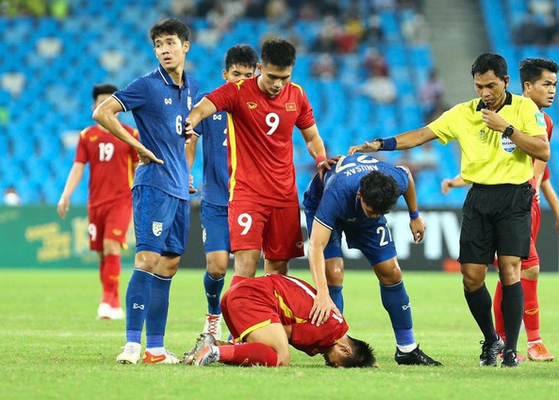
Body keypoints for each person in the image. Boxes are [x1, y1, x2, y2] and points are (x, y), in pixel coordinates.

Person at [349, 53, 550, 367]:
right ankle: (491, 340)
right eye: (479, 86)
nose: (485, 92)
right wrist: (380, 144)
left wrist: (506, 128)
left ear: (506, 81)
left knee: (510, 270)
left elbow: (543, 150)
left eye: (491, 85)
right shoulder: (462, 113)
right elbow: (422, 134)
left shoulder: (525, 108)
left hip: (514, 197)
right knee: (471, 278)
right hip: (479, 196)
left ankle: (511, 349)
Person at [441, 58, 559, 362]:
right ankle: (521, 341)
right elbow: (489, 162)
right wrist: (461, 180)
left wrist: (558, 212)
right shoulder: (507, 115)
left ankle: (511, 342)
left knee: (514, 270)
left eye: (554, 85)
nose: (553, 91)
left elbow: (542, 172)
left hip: (524, 202)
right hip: (509, 201)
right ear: (526, 86)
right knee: (518, 270)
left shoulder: (541, 122)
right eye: (546, 84)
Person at [93, 19, 199, 365]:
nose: (164, 50)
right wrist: (135, 144)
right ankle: (131, 346)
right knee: (147, 259)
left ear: (186, 45)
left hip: (179, 190)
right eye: (158, 45)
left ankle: (155, 348)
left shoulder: (191, 89)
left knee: (169, 265)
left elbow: (187, 136)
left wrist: (186, 172)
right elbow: (102, 112)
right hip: (153, 184)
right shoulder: (147, 86)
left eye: (169, 43)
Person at [184, 38, 330, 286]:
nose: (277, 84)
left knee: (278, 270)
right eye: (272, 76)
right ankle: (237, 324)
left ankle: (272, 324)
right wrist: (191, 121)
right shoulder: (237, 91)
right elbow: (202, 107)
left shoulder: (297, 94)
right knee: (246, 266)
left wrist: (320, 159)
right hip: (247, 194)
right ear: (261, 68)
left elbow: (313, 137)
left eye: (284, 78)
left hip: (284, 195)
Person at [303, 154, 442, 366]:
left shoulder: (392, 181)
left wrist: (414, 216)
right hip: (323, 206)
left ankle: (407, 349)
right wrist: (321, 293)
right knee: (334, 273)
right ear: (360, 195)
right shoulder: (337, 193)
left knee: (391, 272)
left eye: (381, 212)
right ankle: (335, 344)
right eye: (372, 210)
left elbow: (407, 175)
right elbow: (315, 247)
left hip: (360, 215)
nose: (376, 215)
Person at [185, 44, 259, 338]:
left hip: (249, 200)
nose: (240, 80)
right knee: (216, 268)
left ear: (257, 75)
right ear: (225, 73)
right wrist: (185, 169)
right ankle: (214, 314)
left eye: (247, 75)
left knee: (244, 273)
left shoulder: (262, 105)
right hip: (216, 199)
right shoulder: (210, 103)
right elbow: (190, 137)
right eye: (236, 74)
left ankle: (237, 326)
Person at [57, 84, 139, 320]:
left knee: (112, 246)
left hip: (121, 200)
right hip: (95, 203)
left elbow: (139, 166)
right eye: (101, 103)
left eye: (109, 103)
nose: (105, 107)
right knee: (102, 253)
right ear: (94, 107)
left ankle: (109, 302)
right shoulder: (87, 136)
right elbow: (78, 167)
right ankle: (110, 299)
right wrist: (66, 194)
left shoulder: (130, 135)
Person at [183, 274, 377, 368]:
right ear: (346, 350)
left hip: (242, 293)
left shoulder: (336, 321)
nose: (329, 364)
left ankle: (212, 344)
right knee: (280, 357)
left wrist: (367, 361)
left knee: (260, 349)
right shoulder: (328, 332)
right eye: (336, 364)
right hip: (253, 298)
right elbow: (283, 332)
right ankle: (216, 352)